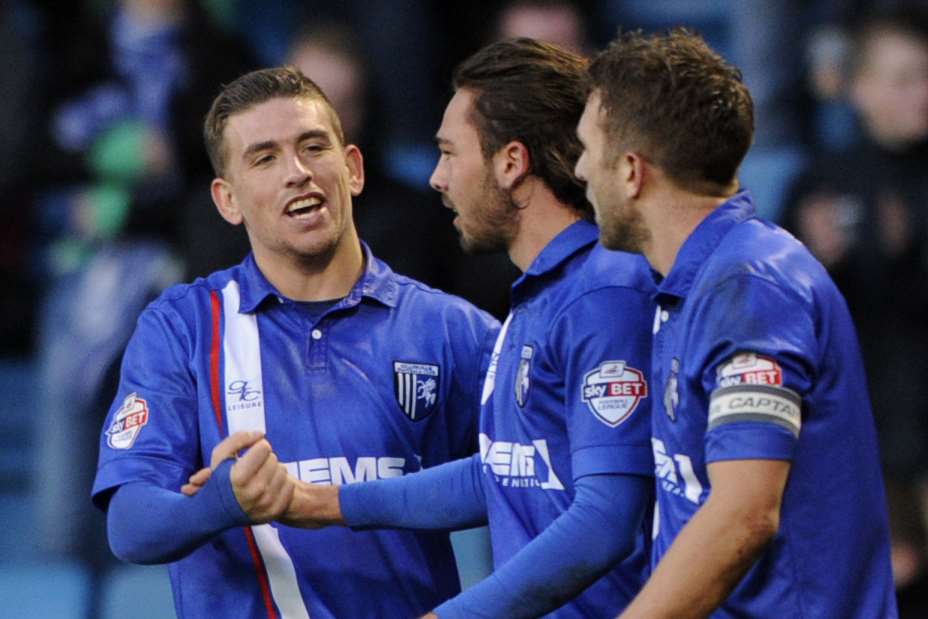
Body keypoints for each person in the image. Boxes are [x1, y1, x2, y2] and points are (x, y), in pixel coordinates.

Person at [189, 37, 656, 618]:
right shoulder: (538, 302)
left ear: (510, 163)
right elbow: (499, 472)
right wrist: (323, 502)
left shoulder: (603, 293)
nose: (436, 178)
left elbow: (606, 518)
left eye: (449, 153)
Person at [91, 66, 499, 619]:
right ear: (227, 200)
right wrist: (223, 504)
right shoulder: (183, 328)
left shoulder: (452, 330)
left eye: (313, 147)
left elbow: (526, 478)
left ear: (352, 168)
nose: (298, 173)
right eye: (265, 158)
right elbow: (130, 526)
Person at [574, 28, 898, 618]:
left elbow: (744, 514)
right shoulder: (698, 282)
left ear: (629, 170)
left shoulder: (750, 287)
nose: (577, 170)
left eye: (586, 149)